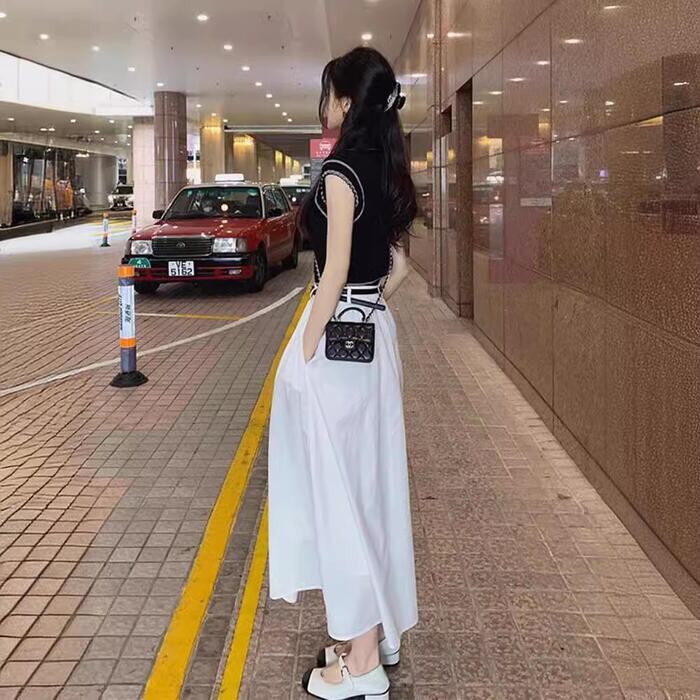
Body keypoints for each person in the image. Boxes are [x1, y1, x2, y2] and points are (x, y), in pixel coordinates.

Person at [268, 46, 418, 700]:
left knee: (342, 498)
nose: (324, 104)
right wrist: (369, 305)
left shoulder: (338, 171)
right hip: (374, 340)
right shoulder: (384, 165)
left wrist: (301, 355)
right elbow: (399, 268)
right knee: (370, 491)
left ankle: (361, 666)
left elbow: (329, 277)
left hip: (335, 350)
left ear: (348, 102)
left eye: (329, 93)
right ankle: (375, 633)